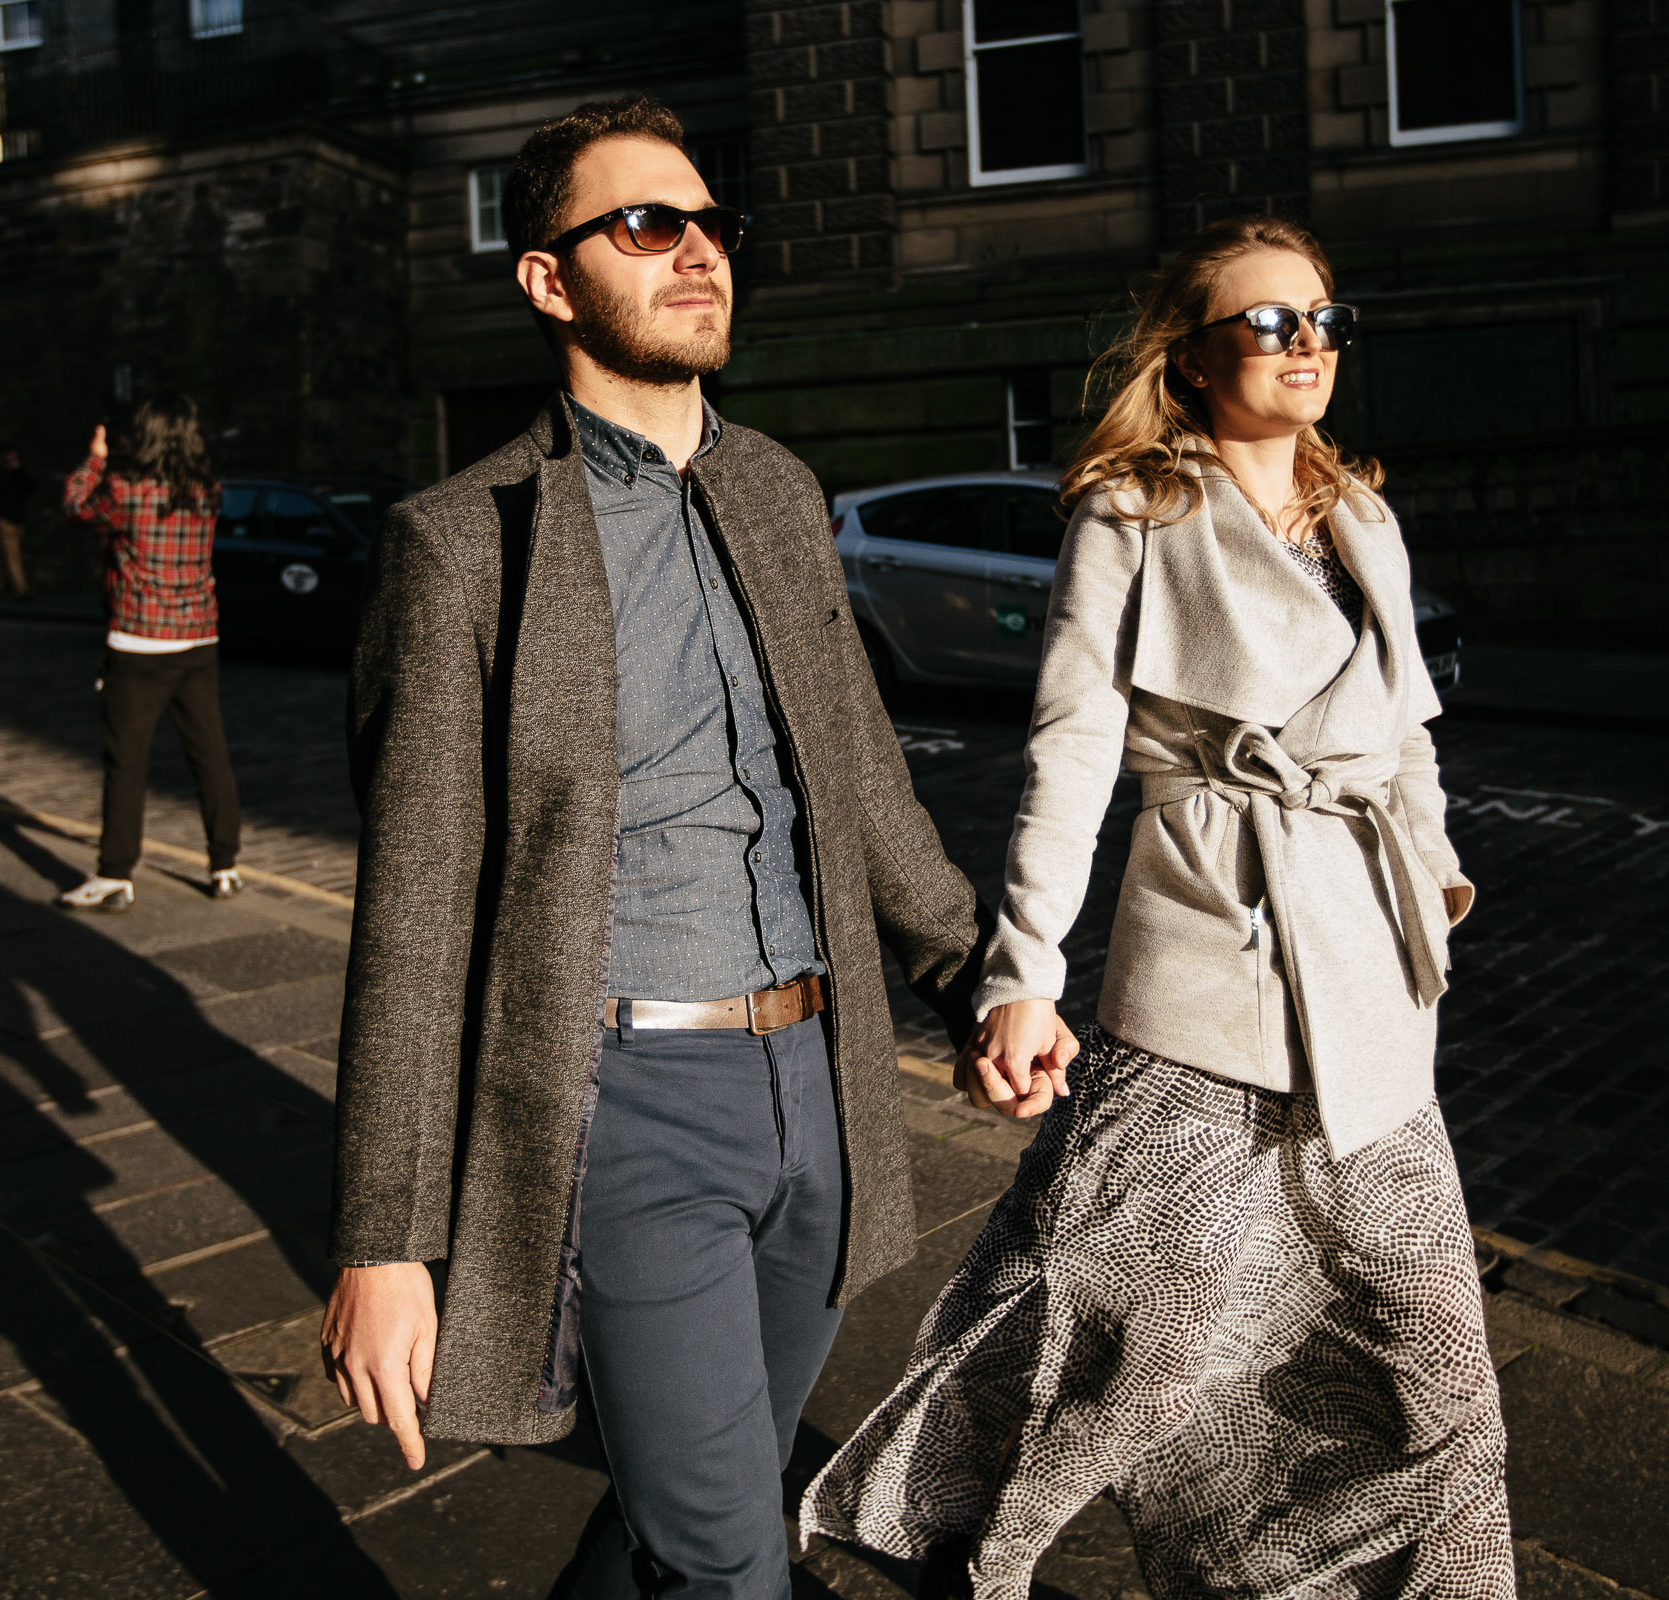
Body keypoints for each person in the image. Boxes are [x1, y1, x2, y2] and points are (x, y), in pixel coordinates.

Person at [317, 97, 1062, 1600]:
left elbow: (861, 794)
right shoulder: (465, 544)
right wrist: (384, 1239)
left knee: (696, 1491)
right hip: (620, 1100)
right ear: (547, 279)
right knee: (733, 1557)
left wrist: (976, 977)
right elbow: (413, 913)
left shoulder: (779, 493)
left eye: (712, 223)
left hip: (819, 1085)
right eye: (647, 225)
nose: (697, 251)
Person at [803, 218, 1507, 1595]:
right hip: (1205, 967)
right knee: (1133, 1329)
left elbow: (1408, 730)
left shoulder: (1363, 514)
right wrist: (1022, 976)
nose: (1309, 345)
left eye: (1322, 319)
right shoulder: (1134, 513)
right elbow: (1071, 755)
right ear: (1189, 357)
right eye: (1270, 322)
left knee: (1440, 1357)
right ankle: (957, 1545)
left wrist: (1432, 873)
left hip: (1370, 986)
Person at [56, 393, 243, 909]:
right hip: (199, 638)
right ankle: (225, 865)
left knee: (127, 761)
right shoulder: (210, 489)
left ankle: (115, 875)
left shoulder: (124, 488)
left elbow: (75, 505)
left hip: (140, 643)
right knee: (210, 755)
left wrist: (95, 455)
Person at [0, 444, 35, 598]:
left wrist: (20, 471)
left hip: (18, 519)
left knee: (7, 556)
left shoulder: (18, 475)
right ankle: (21, 588)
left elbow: (30, 488)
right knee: (12, 555)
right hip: (4, 520)